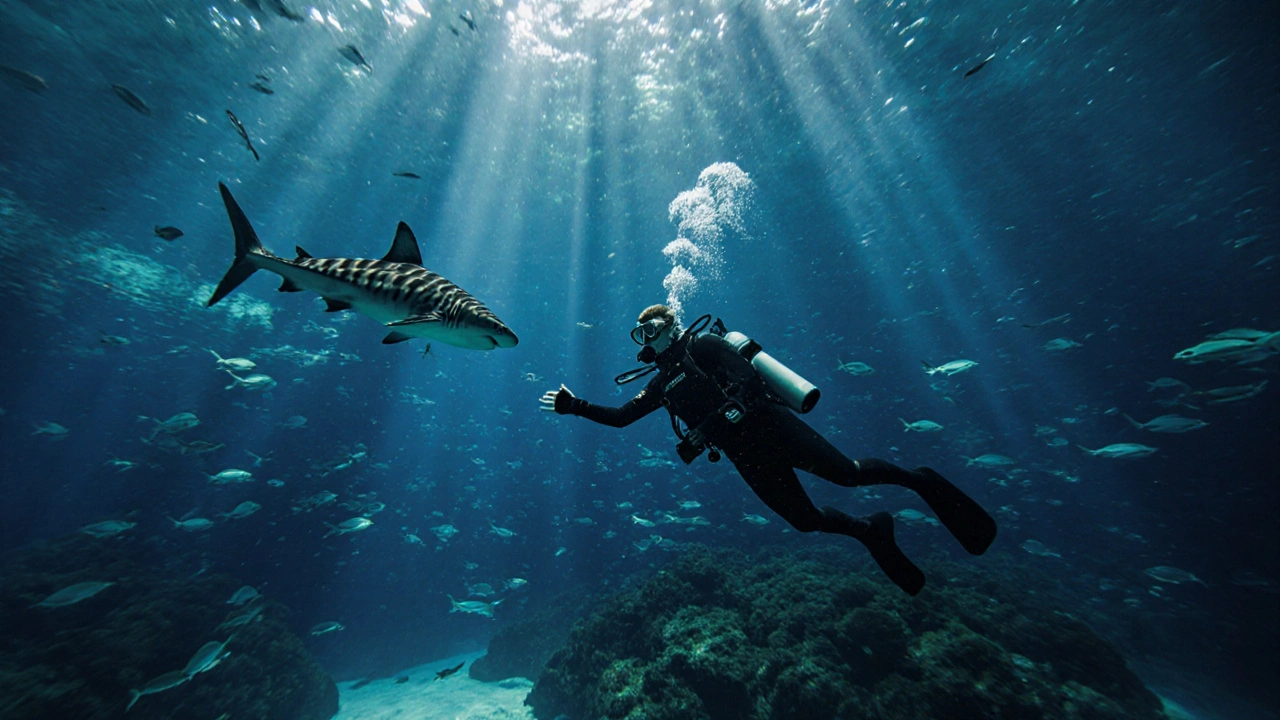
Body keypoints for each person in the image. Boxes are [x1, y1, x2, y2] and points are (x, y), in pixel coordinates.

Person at [540, 304, 997, 595]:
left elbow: (749, 382)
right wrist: (573, 406)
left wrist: (722, 418)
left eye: (652, 328)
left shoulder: (705, 344)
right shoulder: (662, 383)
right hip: (747, 456)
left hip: (773, 428)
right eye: (640, 334)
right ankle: (870, 530)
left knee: (850, 474)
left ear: (671, 325)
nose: (647, 338)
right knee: (805, 520)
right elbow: (621, 418)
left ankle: (920, 480)